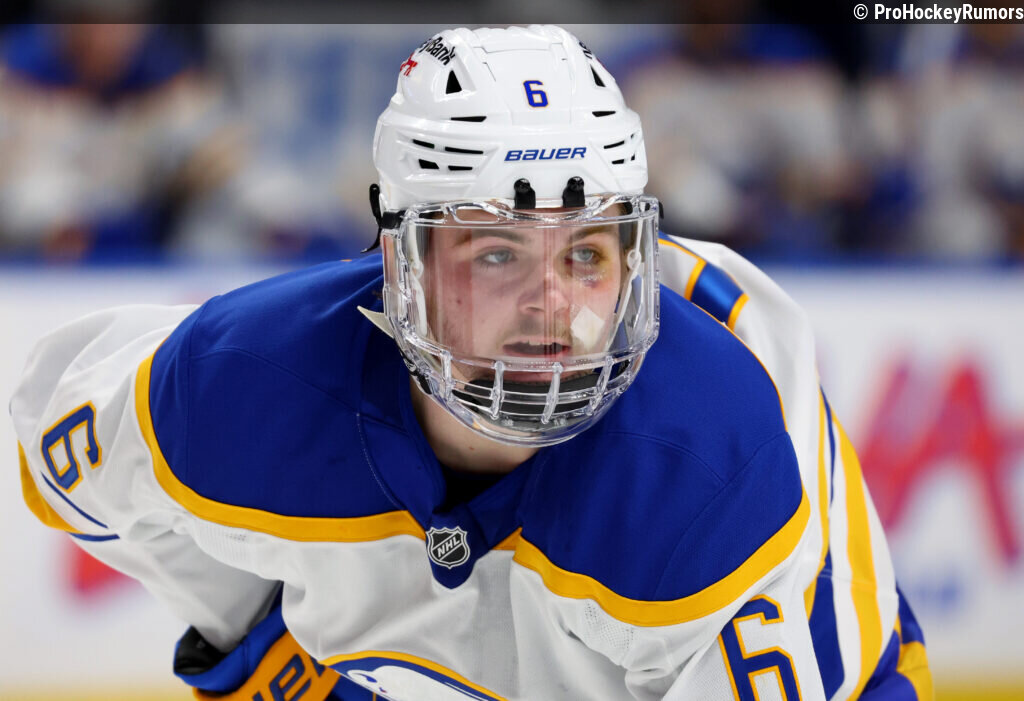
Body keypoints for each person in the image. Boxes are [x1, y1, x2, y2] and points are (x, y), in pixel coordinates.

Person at [10, 25, 933, 701]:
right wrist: (256, 639)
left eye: (588, 252)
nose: (553, 307)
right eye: (496, 252)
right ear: (397, 256)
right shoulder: (246, 378)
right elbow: (63, 437)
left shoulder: (702, 459)